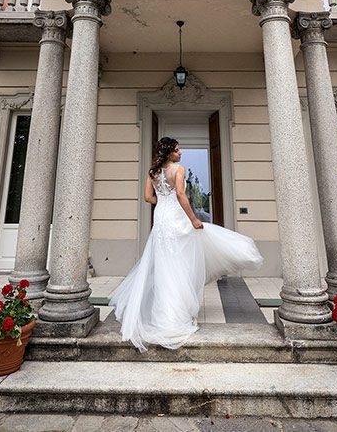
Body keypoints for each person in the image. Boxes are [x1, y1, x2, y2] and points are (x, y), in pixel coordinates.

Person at [108, 136, 264, 351]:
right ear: (170, 152)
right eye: (177, 150)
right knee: (180, 263)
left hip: (161, 219)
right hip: (176, 217)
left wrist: (162, 201)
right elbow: (181, 195)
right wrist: (193, 219)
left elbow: (147, 197)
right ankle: (175, 316)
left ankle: (164, 314)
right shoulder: (179, 170)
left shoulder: (152, 172)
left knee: (165, 265)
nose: (181, 153)